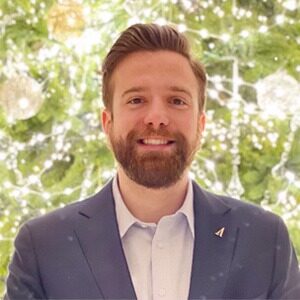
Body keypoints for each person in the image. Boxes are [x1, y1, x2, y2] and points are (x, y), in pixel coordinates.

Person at [5, 23, 300, 300]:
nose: (157, 117)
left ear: (201, 124)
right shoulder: (44, 247)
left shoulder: (262, 239)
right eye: (136, 100)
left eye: (177, 101)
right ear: (107, 122)